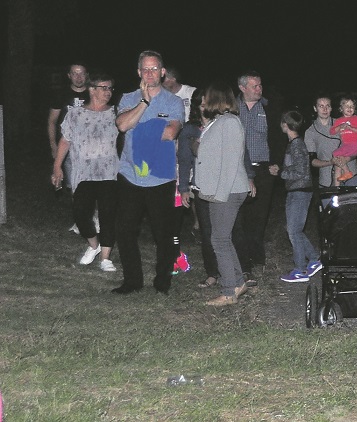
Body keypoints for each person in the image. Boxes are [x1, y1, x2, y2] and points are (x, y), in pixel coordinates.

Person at [112, 50, 185, 296]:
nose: (149, 73)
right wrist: (143, 104)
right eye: (145, 69)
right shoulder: (128, 97)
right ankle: (132, 281)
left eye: (154, 69)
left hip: (161, 177)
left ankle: (162, 280)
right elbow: (122, 126)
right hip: (130, 175)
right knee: (125, 230)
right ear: (138, 72)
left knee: (163, 233)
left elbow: (171, 133)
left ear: (162, 72)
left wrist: (139, 127)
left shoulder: (173, 102)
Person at [192, 84, 252, 306]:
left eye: (206, 97)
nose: (203, 101)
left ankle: (228, 292)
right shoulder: (220, 122)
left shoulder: (229, 122)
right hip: (223, 189)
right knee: (223, 238)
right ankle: (237, 282)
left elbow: (230, 162)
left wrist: (219, 193)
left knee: (218, 239)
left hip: (228, 190)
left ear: (216, 98)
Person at [52, 74, 119, 273]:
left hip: (109, 173)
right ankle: (94, 245)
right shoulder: (75, 114)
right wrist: (57, 167)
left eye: (110, 89)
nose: (108, 92)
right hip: (83, 173)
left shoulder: (115, 114)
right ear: (92, 89)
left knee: (108, 215)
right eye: (104, 87)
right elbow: (65, 141)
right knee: (80, 213)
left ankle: (106, 258)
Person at [231, 72, 280, 281]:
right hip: (237, 168)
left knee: (259, 214)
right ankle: (241, 257)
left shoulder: (268, 108)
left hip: (263, 169)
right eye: (254, 86)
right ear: (242, 88)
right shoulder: (232, 107)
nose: (259, 89)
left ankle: (256, 255)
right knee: (239, 214)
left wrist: (277, 162)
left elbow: (278, 137)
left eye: (260, 85)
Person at [273, 111, 320, 282]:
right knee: (293, 229)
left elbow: (301, 171)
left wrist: (281, 172)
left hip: (300, 191)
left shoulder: (297, 145)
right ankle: (314, 259)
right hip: (296, 191)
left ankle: (300, 269)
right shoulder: (294, 143)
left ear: (285, 124)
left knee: (293, 231)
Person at [331, 97, 357, 186]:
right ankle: (336, 188)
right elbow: (332, 131)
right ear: (341, 109)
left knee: (336, 154)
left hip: (354, 144)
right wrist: (340, 127)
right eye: (347, 106)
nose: (350, 108)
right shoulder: (339, 120)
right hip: (345, 145)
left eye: (352, 106)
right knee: (338, 163)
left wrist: (351, 128)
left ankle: (347, 171)